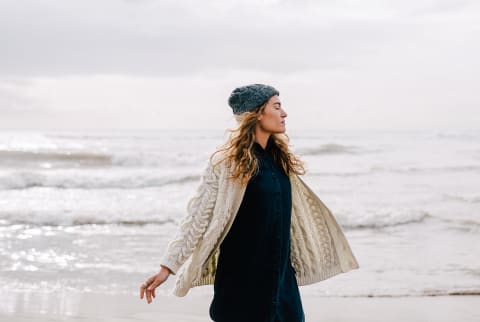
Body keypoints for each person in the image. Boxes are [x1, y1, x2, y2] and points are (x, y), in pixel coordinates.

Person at [139, 84, 359, 322]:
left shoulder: (281, 160)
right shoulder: (226, 164)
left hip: (282, 284)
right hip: (241, 285)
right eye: (277, 106)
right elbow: (197, 217)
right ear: (256, 114)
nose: (284, 113)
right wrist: (167, 267)